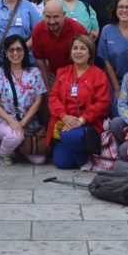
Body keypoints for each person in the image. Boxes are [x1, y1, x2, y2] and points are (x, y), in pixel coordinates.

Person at [47, 35, 110, 169]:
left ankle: (86, 154)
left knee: (68, 136)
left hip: (88, 124)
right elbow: (53, 97)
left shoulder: (98, 75)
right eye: (75, 48)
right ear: (70, 52)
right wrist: (64, 116)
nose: (78, 52)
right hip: (65, 123)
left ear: (90, 53)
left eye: (83, 48)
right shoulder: (63, 72)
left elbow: (102, 103)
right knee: (61, 162)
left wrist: (80, 120)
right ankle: (87, 158)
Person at [0, 35, 48, 165]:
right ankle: (4, 154)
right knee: (15, 135)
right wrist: (12, 121)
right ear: (5, 53)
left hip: (29, 122)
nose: (15, 53)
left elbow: (38, 101)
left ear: (25, 51)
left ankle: (18, 148)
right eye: (11, 50)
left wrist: (23, 122)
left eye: (19, 49)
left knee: (40, 160)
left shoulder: (34, 72)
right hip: (3, 120)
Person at [32, 0, 88, 87]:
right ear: (43, 14)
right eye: (48, 17)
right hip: (52, 74)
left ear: (64, 15)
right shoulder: (38, 31)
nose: (52, 21)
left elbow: (88, 57)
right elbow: (39, 59)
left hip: (76, 72)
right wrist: (46, 85)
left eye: (56, 17)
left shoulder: (78, 30)